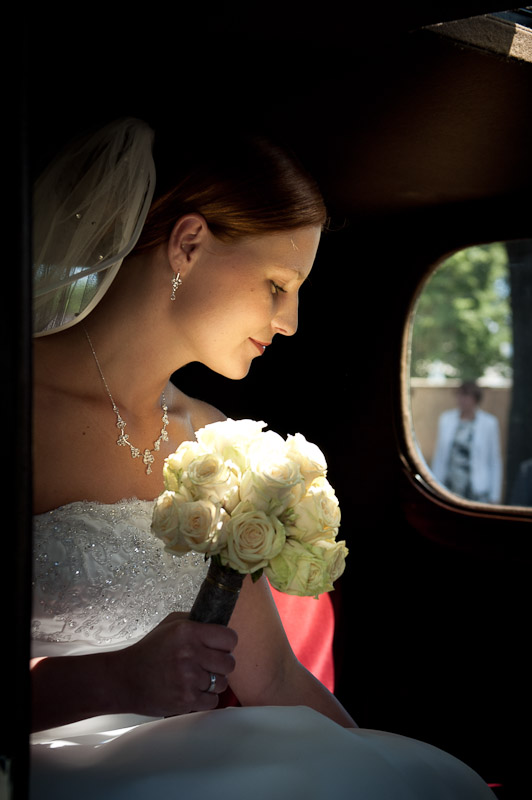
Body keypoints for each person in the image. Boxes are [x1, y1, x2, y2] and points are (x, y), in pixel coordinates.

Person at [30, 118, 495, 798]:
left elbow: (273, 679)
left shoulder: (216, 441)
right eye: (278, 283)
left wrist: (382, 771)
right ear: (188, 244)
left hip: (186, 761)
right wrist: (112, 679)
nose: (290, 322)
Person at [431, 381, 502, 503]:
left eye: (466, 396)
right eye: (460, 395)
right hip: (450, 486)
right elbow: (440, 455)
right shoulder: (446, 419)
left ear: (475, 399)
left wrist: (495, 495)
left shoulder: (489, 423)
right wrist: (433, 484)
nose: (462, 400)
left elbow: (494, 459)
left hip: (476, 489)